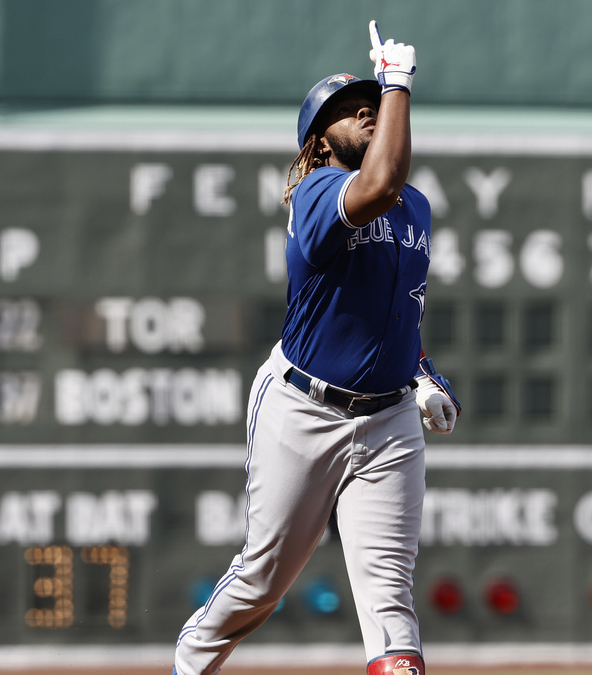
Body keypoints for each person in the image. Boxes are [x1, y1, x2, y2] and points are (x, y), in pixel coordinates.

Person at [173, 21, 459, 675]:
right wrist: (395, 83)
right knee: (263, 580)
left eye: (369, 101)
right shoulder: (317, 193)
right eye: (343, 108)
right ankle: (190, 661)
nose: (363, 108)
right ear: (318, 139)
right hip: (304, 407)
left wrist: (423, 373)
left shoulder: (416, 207)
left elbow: (396, 308)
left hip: (389, 419)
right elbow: (380, 182)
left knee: (391, 600)